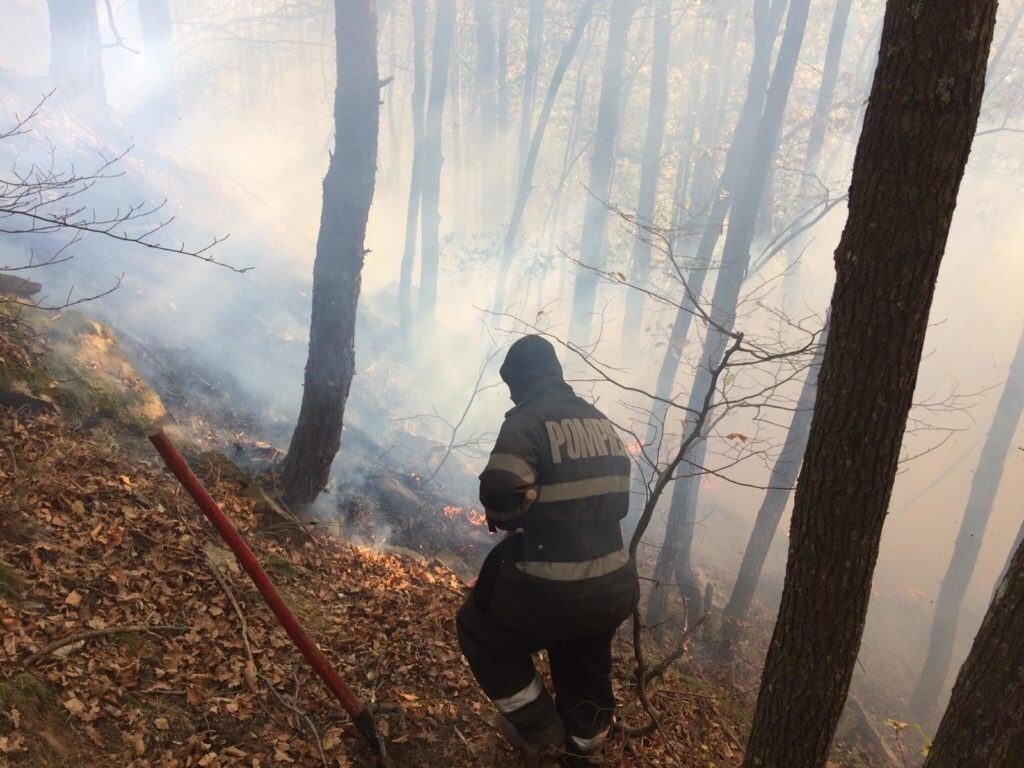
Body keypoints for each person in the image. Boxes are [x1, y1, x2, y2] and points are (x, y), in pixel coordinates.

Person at [456, 335, 638, 767]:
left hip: (552, 584)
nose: (513, 395)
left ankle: (542, 730)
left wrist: (508, 515)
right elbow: (616, 500)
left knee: (479, 633)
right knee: (583, 656)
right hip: (612, 583)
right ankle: (586, 750)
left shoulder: (528, 420)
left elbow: (500, 486)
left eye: (513, 386)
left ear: (521, 379)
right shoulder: (601, 422)